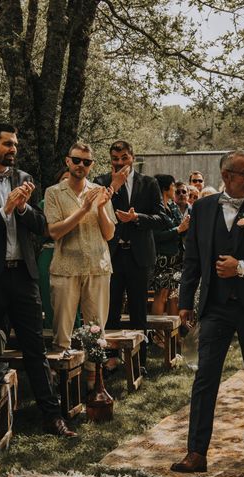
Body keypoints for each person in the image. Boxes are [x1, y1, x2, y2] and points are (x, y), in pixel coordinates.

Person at [171, 150, 244, 473]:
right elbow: (192, 260)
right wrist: (185, 303)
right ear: (226, 176)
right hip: (215, 307)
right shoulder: (203, 208)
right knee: (205, 378)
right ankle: (196, 452)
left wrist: (243, 267)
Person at [0, 123, 76, 437]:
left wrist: (22, 208)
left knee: (35, 348)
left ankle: (52, 417)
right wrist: (2, 211)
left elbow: (42, 226)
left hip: (22, 275)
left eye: (15, 145)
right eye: (7, 144)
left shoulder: (23, 179)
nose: (13, 150)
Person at [93, 140, 166, 371]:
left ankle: (138, 363)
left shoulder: (149, 183)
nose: (120, 163)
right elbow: (95, 212)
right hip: (112, 255)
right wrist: (114, 186)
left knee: (138, 312)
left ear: (132, 157)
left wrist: (136, 218)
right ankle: (111, 360)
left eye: (124, 158)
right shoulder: (102, 183)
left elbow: (162, 219)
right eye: (115, 159)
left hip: (139, 256)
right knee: (111, 310)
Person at [44, 142, 115, 360]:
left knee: (96, 330)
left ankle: (95, 383)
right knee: (62, 334)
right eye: (76, 160)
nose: (80, 165)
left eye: (86, 162)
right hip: (66, 267)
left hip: (97, 266)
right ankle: (63, 387)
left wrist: (101, 208)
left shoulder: (99, 192)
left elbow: (110, 233)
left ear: (91, 165)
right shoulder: (53, 192)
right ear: (68, 161)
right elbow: (54, 231)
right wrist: (84, 209)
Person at [38, 167, 71, 329]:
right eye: (63, 179)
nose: (66, 181)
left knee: (72, 301)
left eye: (69, 179)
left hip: (73, 253)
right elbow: (39, 231)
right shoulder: (45, 202)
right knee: (49, 298)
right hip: (50, 252)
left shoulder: (81, 202)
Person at [151, 174, 189, 315]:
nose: (175, 189)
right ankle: (159, 335)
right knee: (161, 294)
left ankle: (175, 336)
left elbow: (182, 226)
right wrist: (178, 229)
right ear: (166, 188)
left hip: (176, 259)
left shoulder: (172, 206)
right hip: (162, 258)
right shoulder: (155, 208)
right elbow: (155, 236)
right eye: (173, 186)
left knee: (174, 295)